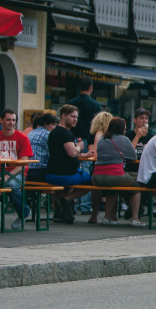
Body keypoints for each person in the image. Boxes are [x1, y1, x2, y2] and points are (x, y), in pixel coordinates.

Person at [45, 104, 97, 224]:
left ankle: (60, 213)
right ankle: (65, 200)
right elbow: (73, 153)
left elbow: (64, 153)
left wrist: (84, 155)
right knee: (91, 181)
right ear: (63, 116)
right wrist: (79, 146)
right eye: (72, 116)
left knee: (62, 187)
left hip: (51, 173)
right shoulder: (65, 134)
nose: (75, 120)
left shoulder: (53, 132)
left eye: (76, 117)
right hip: (65, 174)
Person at [93, 117, 145, 227]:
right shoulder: (124, 139)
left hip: (97, 177)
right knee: (136, 187)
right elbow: (132, 156)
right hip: (114, 175)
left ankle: (107, 217)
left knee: (113, 189)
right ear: (122, 129)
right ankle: (135, 218)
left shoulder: (102, 139)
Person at [0, 109, 34, 229]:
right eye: (8, 120)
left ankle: (24, 212)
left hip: (18, 172)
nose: (11, 122)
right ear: (1, 121)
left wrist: (8, 176)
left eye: (13, 120)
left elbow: (23, 163)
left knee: (11, 184)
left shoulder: (22, 138)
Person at [67, 76, 102, 215]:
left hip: (71, 139)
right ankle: (86, 205)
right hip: (89, 140)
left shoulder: (71, 104)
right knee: (87, 169)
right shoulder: (95, 105)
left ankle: (73, 204)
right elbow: (98, 125)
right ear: (90, 88)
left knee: (73, 168)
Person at [26, 113, 59, 183]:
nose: (55, 127)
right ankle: (63, 194)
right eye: (53, 125)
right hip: (40, 172)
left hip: (27, 172)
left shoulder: (31, 133)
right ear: (46, 124)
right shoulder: (48, 134)